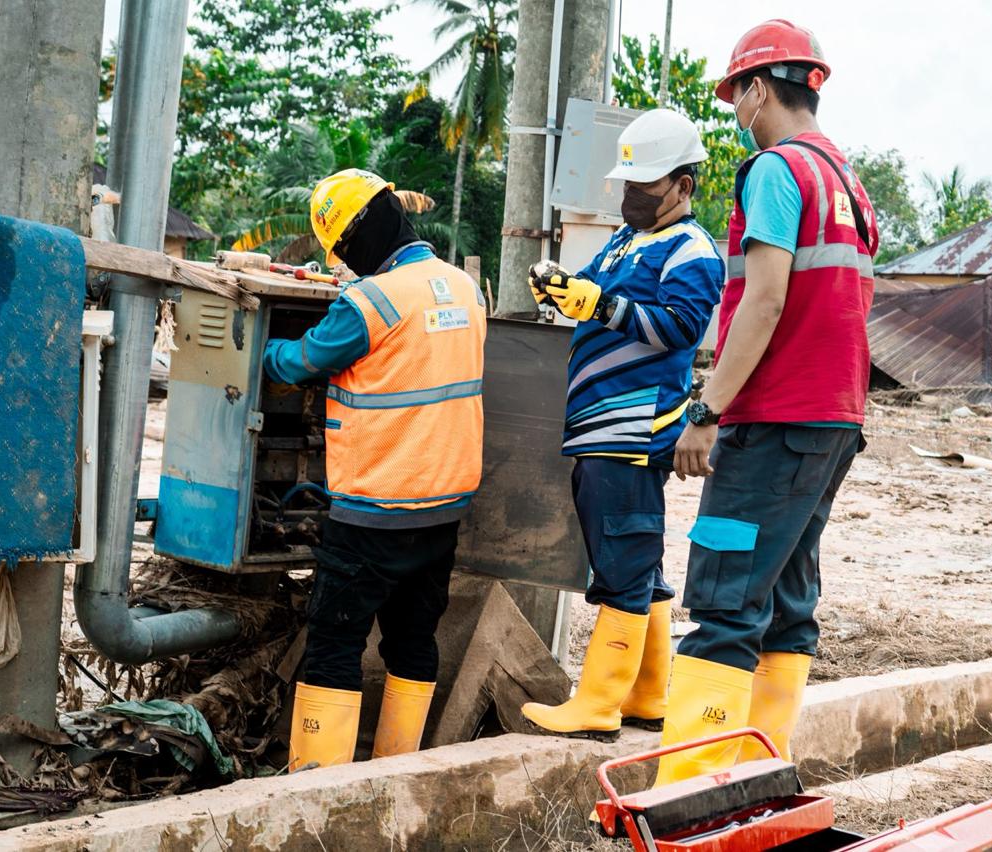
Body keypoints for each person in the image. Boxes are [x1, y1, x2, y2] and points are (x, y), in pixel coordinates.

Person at [653, 20, 879, 785]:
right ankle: (754, 774)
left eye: (734, 94)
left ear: (757, 88)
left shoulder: (776, 170)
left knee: (723, 597)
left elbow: (766, 299)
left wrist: (706, 410)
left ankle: (688, 792)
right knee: (786, 600)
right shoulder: (843, 177)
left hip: (775, 419)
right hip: (833, 419)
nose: (733, 110)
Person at [263, 169, 487, 770]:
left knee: (335, 640)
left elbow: (302, 361)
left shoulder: (370, 301)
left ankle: (318, 785)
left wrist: (262, 349)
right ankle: (396, 773)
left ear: (354, 239)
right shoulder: (465, 288)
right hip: (442, 508)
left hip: (373, 511)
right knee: (412, 641)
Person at [519, 109, 725, 742]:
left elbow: (681, 327)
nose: (633, 195)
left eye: (647, 184)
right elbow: (595, 296)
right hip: (600, 426)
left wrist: (600, 305)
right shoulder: (624, 238)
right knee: (639, 563)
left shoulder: (692, 249)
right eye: (629, 184)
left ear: (683, 185)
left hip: (634, 429)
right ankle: (646, 696)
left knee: (623, 561)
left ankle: (598, 705)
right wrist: (563, 288)